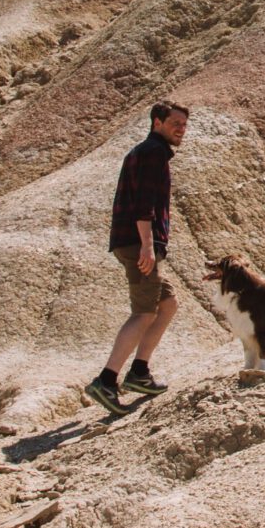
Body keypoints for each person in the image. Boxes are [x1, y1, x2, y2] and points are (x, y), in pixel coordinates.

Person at [86, 101, 188, 413]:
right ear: (157, 121)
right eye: (175, 122)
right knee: (144, 312)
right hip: (138, 242)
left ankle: (139, 373)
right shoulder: (153, 152)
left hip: (134, 240)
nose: (180, 129)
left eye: (184, 124)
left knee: (167, 304)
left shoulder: (145, 151)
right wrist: (147, 244)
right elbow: (145, 202)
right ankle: (106, 380)